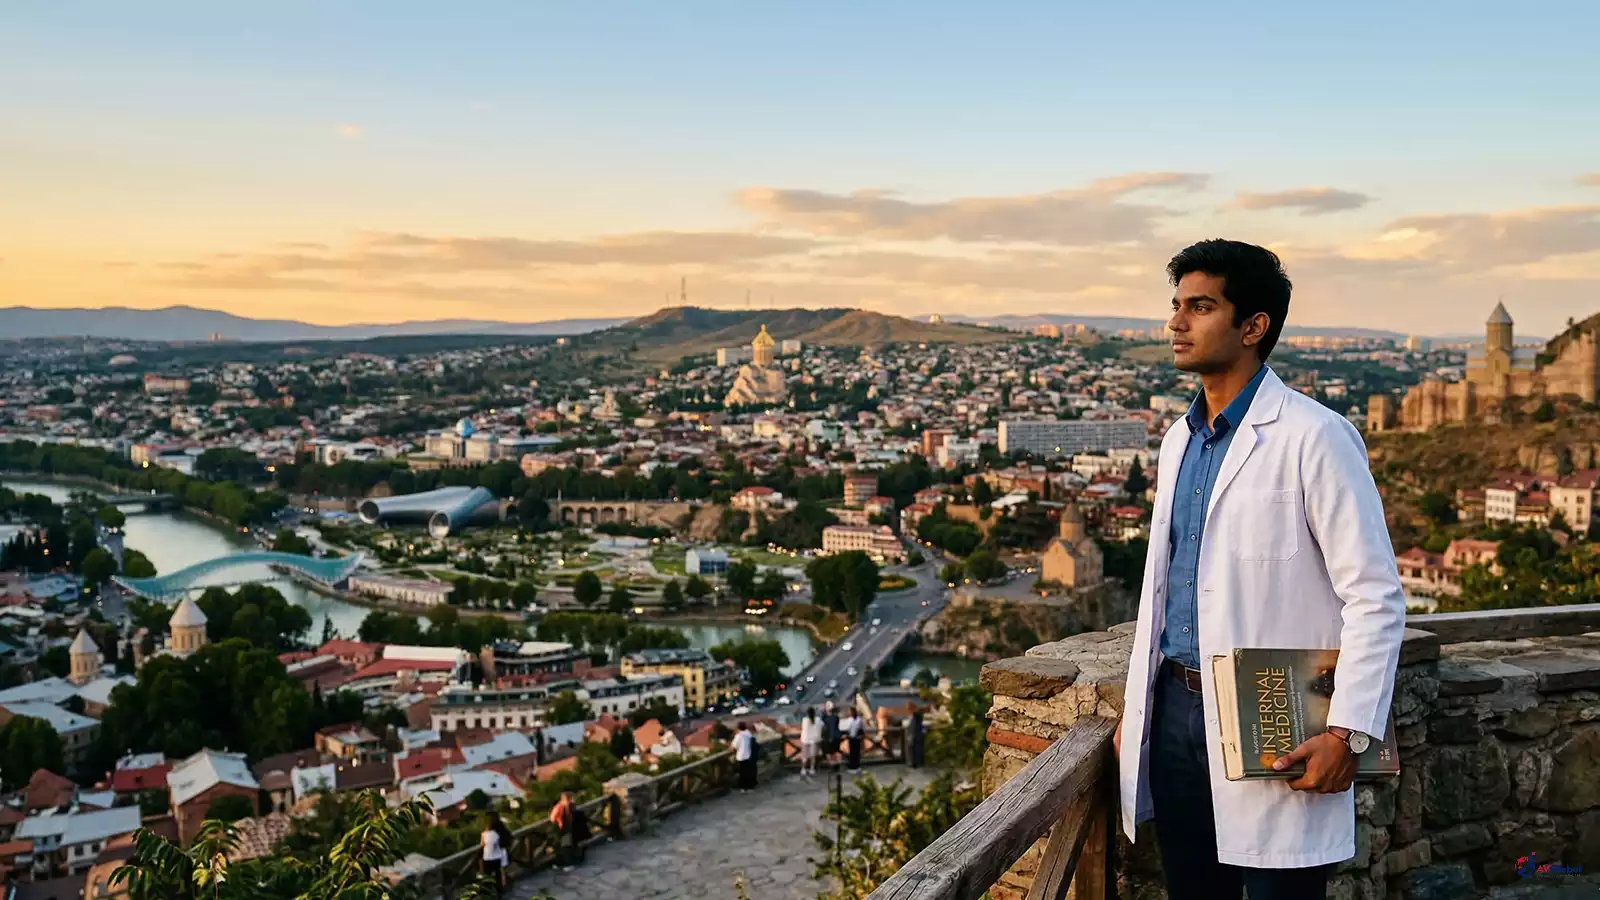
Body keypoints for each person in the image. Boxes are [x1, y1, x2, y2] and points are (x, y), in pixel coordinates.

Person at [1114, 240, 1406, 900]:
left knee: (1282, 894)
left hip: (1276, 715)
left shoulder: (1315, 435)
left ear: (1253, 327)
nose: (1176, 323)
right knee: (1193, 890)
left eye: (1201, 307)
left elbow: (1375, 596)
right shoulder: (1176, 441)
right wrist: (1137, 719)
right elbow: (1163, 590)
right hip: (1173, 712)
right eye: (1176, 306)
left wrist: (1347, 731)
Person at [549, 791, 587, 872]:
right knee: (568, 847)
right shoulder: (570, 806)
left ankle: (565, 864)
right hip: (570, 829)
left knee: (564, 848)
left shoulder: (560, 806)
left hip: (564, 830)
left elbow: (552, 818)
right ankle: (570, 863)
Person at [479, 812, 509, 891]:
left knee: (487, 877)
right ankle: (500, 890)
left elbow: (482, 845)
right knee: (498, 876)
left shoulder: (484, 834)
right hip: (497, 857)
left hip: (487, 858)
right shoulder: (499, 832)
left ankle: (489, 892)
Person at [733, 720, 758, 791]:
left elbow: (734, 746)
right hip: (749, 756)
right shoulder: (748, 733)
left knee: (742, 773)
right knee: (749, 772)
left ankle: (743, 788)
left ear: (738, 728)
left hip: (741, 756)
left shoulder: (739, 736)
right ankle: (750, 787)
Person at [799, 707, 823, 777]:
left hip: (805, 740)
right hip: (814, 740)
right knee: (813, 756)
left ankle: (803, 769)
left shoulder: (804, 720)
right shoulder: (818, 720)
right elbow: (822, 726)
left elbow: (803, 728)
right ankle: (812, 769)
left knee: (804, 756)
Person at [841, 706, 864, 774]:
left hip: (857, 738)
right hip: (851, 738)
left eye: (852, 712)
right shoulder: (850, 719)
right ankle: (852, 766)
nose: (852, 713)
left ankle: (857, 766)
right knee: (852, 753)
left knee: (857, 753)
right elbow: (847, 729)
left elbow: (862, 728)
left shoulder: (859, 719)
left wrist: (861, 736)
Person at [821, 701, 841, 768]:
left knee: (830, 752)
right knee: (836, 751)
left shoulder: (830, 718)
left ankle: (833, 766)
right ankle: (837, 765)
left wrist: (831, 737)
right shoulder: (835, 716)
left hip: (831, 737)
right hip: (836, 736)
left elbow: (832, 727)